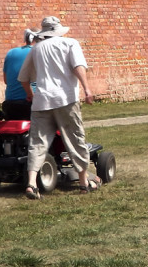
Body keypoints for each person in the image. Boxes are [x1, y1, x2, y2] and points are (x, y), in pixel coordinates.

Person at [18, 15, 96, 200]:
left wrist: (31, 94)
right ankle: (84, 183)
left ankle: (31, 183)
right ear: (58, 30)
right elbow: (78, 66)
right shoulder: (70, 44)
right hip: (65, 99)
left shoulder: (36, 49)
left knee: (37, 142)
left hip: (42, 101)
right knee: (74, 138)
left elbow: (23, 78)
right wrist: (86, 88)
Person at [1, 29, 37, 121]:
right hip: (30, 104)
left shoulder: (11, 53)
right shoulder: (37, 52)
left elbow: (6, 81)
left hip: (10, 104)